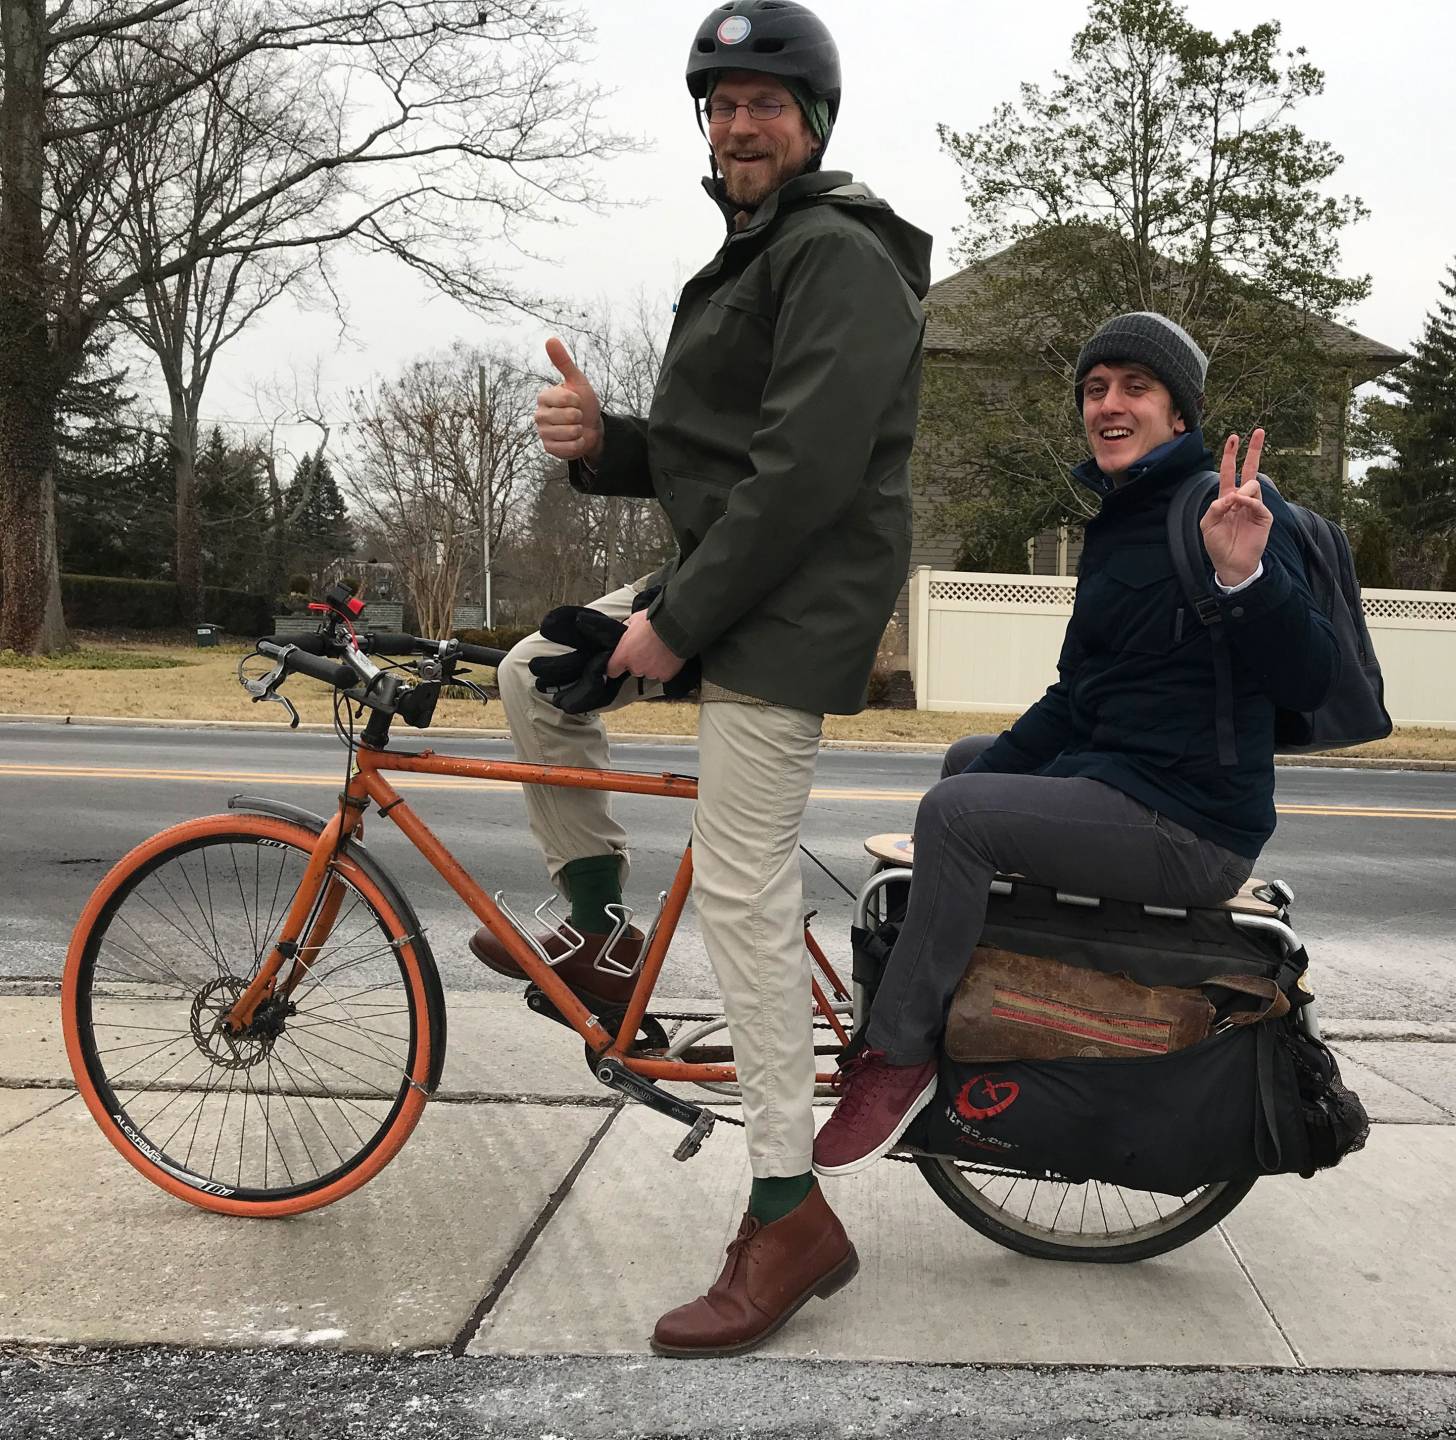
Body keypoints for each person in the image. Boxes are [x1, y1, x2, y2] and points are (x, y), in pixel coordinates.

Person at [473, 0, 931, 1357]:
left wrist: (670, 626)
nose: (738, 125)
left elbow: (800, 475)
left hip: (785, 612)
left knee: (740, 900)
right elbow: (712, 451)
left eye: (765, 104)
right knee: (534, 680)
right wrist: (597, 440)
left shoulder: (839, 258)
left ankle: (788, 1214)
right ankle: (604, 935)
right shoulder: (755, 256)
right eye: (720, 104)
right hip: (732, 582)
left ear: (814, 122)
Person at [812, 311, 1338, 1176]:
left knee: (958, 815)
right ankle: (983, 997)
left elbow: (1309, 676)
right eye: (1095, 390)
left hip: (1191, 823)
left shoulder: (1227, 508)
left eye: (1136, 387)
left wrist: (1242, 575)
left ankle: (898, 1054)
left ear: (1180, 414)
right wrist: (987, 772)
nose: (1109, 405)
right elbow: (1076, 697)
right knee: (964, 771)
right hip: (1127, 781)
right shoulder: (1120, 521)